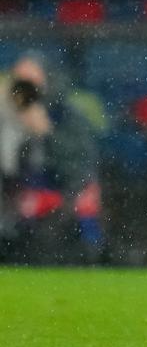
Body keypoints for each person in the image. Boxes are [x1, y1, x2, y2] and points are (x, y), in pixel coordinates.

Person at [0, 53, 103, 263]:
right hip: (15, 210)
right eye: (19, 82)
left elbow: (77, 172)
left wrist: (46, 133)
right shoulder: (6, 120)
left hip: (60, 209)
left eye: (31, 83)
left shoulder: (68, 118)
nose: (25, 91)